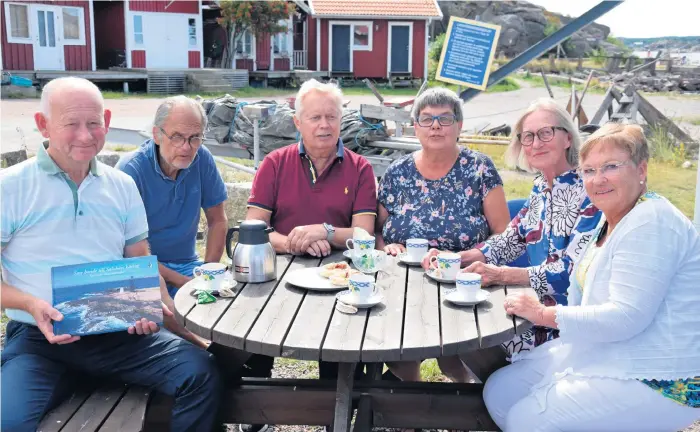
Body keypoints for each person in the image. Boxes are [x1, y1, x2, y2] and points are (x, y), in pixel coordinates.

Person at [0, 77, 221, 431]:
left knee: (200, 373)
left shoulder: (121, 185)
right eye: (71, 124)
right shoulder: (11, 187)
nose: (85, 136)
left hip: (116, 333)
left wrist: (154, 312)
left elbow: (139, 262)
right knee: (6, 422)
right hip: (39, 341)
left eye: (93, 123)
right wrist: (29, 304)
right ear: (43, 125)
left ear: (106, 119)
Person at [483, 123, 700, 431]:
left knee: (527, 419)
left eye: (611, 167)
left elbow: (626, 317)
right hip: (605, 351)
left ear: (641, 170)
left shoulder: (650, 223)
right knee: (499, 393)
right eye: (589, 170)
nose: (598, 179)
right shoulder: (610, 218)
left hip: (660, 376)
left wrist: (543, 313)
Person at [422, 98, 602, 379]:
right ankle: (485, 395)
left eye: (545, 133)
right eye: (528, 136)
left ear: (568, 137)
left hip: (561, 320)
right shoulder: (542, 186)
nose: (535, 143)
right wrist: (463, 257)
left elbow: (573, 273)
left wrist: (502, 275)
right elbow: (512, 238)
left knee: (467, 330)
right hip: (531, 305)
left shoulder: (589, 192)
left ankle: (498, 398)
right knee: (454, 320)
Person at [376, 87, 510, 383]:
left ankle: (465, 392)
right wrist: (387, 247)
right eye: (426, 119)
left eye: (445, 118)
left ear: (459, 126)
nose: (435, 125)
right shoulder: (398, 172)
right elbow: (376, 229)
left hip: (463, 278)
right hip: (404, 281)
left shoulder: (479, 168)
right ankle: (408, 403)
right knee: (401, 350)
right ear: (416, 127)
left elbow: (503, 234)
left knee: (455, 362)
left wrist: (466, 258)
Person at [246, 79, 377, 258]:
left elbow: (364, 234)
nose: (324, 125)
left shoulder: (361, 168)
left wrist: (325, 232)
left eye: (331, 117)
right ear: (297, 122)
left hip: (341, 270)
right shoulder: (274, 163)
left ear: (341, 119)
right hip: (282, 265)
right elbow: (254, 226)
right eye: (315, 117)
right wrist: (294, 244)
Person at [117, 96, 228, 303]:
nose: (186, 147)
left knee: (225, 310)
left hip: (187, 264)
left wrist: (207, 275)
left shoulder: (202, 158)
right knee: (165, 322)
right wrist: (183, 282)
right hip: (141, 269)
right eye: (177, 137)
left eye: (195, 137)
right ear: (157, 134)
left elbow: (218, 220)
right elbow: (126, 249)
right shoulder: (131, 170)